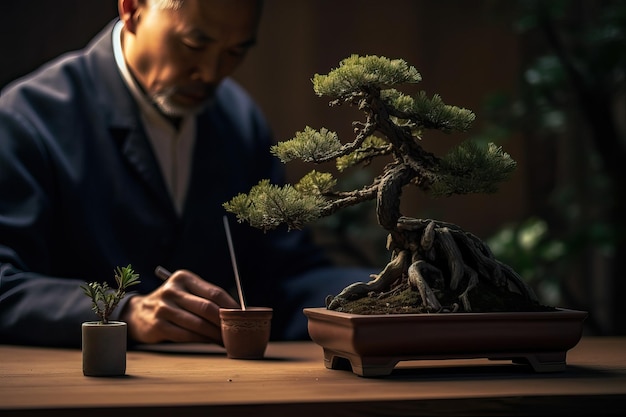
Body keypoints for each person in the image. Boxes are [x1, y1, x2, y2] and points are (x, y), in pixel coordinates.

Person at [0, 0, 373, 347]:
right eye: (194, 44)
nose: (210, 73)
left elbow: (285, 276)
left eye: (235, 51)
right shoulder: (28, 120)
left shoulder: (239, 122)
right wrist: (124, 312)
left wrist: (388, 288)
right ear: (132, 10)